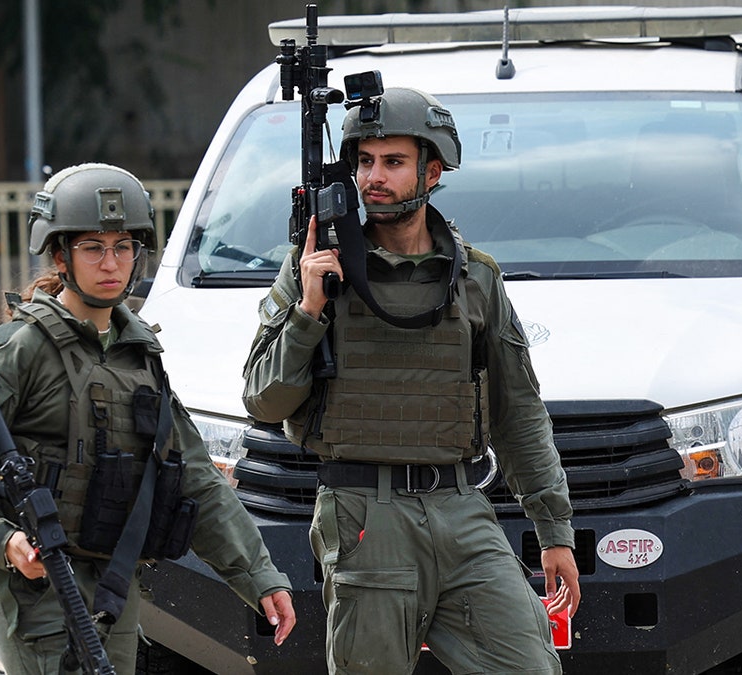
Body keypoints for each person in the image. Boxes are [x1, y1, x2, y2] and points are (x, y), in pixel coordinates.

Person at [242, 88, 580, 674]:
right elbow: (264, 400)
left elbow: (517, 411)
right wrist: (307, 313)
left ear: (433, 170)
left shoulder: (474, 278)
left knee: (529, 666)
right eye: (364, 162)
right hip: (364, 515)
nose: (374, 177)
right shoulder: (316, 267)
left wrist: (553, 528)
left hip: (461, 508)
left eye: (392, 163)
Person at [0, 163, 295, 675]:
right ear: (61, 255)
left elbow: (196, 480)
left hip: (115, 589)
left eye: (124, 247)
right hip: (39, 593)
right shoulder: (23, 350)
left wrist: (260, 577)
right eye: (94, 247)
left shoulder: (139, 353)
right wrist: (4, 541)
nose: (112, 262)